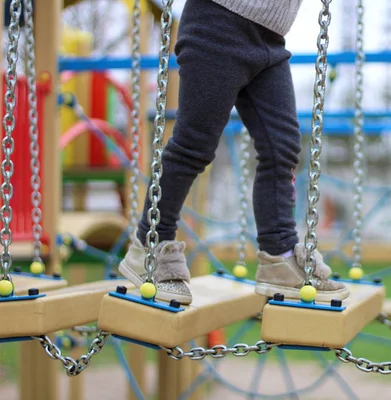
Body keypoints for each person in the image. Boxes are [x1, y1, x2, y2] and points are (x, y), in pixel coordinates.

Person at [119, 0, 349, 305]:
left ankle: (278, 256)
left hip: (270, 37)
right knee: (194, 145)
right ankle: (150, 243)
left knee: (283, 146)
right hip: (217, 23)